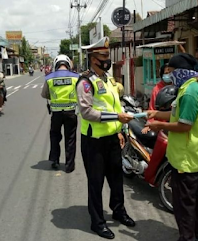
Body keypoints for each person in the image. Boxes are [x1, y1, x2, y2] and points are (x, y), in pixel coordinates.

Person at [146, 53, 198, 241]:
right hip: (191, 156)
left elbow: (184, 125)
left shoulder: (190, 92)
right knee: (195, 201)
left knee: (184, 206)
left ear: (182, 71)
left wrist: (158, 125)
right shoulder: (188, 87)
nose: (169, 76)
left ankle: (188, 238)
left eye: (172, 72)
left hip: (186, 159)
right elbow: (177, 114)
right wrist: (157, 114)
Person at [76, 36, 135, 240]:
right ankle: (97, 222)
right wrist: (117, 117)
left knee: (116, 179)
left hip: (111, 138)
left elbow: (115, 106)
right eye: (104, 55)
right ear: (93, 58)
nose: (107, 59)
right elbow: (86, 112)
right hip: (94, 142)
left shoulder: (108, 79)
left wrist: (121, 130)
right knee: (96, 182)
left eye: (108, 55)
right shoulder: (85, 82)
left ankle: (118, 211)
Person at [41, 54, 79, 173]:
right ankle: (69, 166)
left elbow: (44, 94)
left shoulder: (49, 78)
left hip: (56, 113)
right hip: (71, 112)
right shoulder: (76, 77)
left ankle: (55, 160)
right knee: (70, 139)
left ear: (56, 64)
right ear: (68, 64)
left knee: (54, 136)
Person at [141, 64, 171, 134]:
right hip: (159, 124)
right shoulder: (157, 89)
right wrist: (149, 124)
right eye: (166, 73)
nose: (169, 75)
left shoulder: (176, 87)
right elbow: (152, 108)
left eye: (170, 73)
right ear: (162, 75)